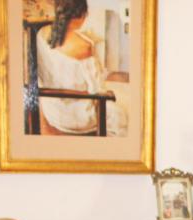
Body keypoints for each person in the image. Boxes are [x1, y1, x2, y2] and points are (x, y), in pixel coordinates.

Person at [35, 0, 128, 136]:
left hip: (52, 111)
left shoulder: (41, 33)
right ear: (81, 15)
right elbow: (97, 90)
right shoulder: (84, 45)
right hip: (77, 118)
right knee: (121, 113)